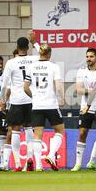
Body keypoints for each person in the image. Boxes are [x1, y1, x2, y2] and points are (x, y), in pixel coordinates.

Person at [0, 37, 39, 172]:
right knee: (29, 128)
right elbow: (44, 54)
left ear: (17, 47)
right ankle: (29, 159)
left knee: (15, 130)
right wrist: (36, 42)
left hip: (16, 100)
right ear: (28, 47)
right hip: (30, 99)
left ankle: (17, 164)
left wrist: (3, 100)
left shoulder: (11, 62)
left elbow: (4, 85)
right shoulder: (34, 59)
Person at [24, 44, 65, 172]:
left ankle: (39, 166)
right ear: (49, 54)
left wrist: (34, 96)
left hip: (37, 105)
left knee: (37, 135)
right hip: (51, 104)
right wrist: (62, 99)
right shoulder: (54, 67)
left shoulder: (31, 67)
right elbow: (58, 86)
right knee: (59, 131)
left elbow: (25, 87)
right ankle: (51, 154)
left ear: (39, 54)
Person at [72, 48, 96, 171]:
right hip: (85, 108)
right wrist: (91, 91)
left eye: (91, 56)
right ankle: (78, 164)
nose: (89, 59)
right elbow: (78, 89)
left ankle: (93, 161)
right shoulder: (81, 71)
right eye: (87, 56)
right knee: (82, 133)